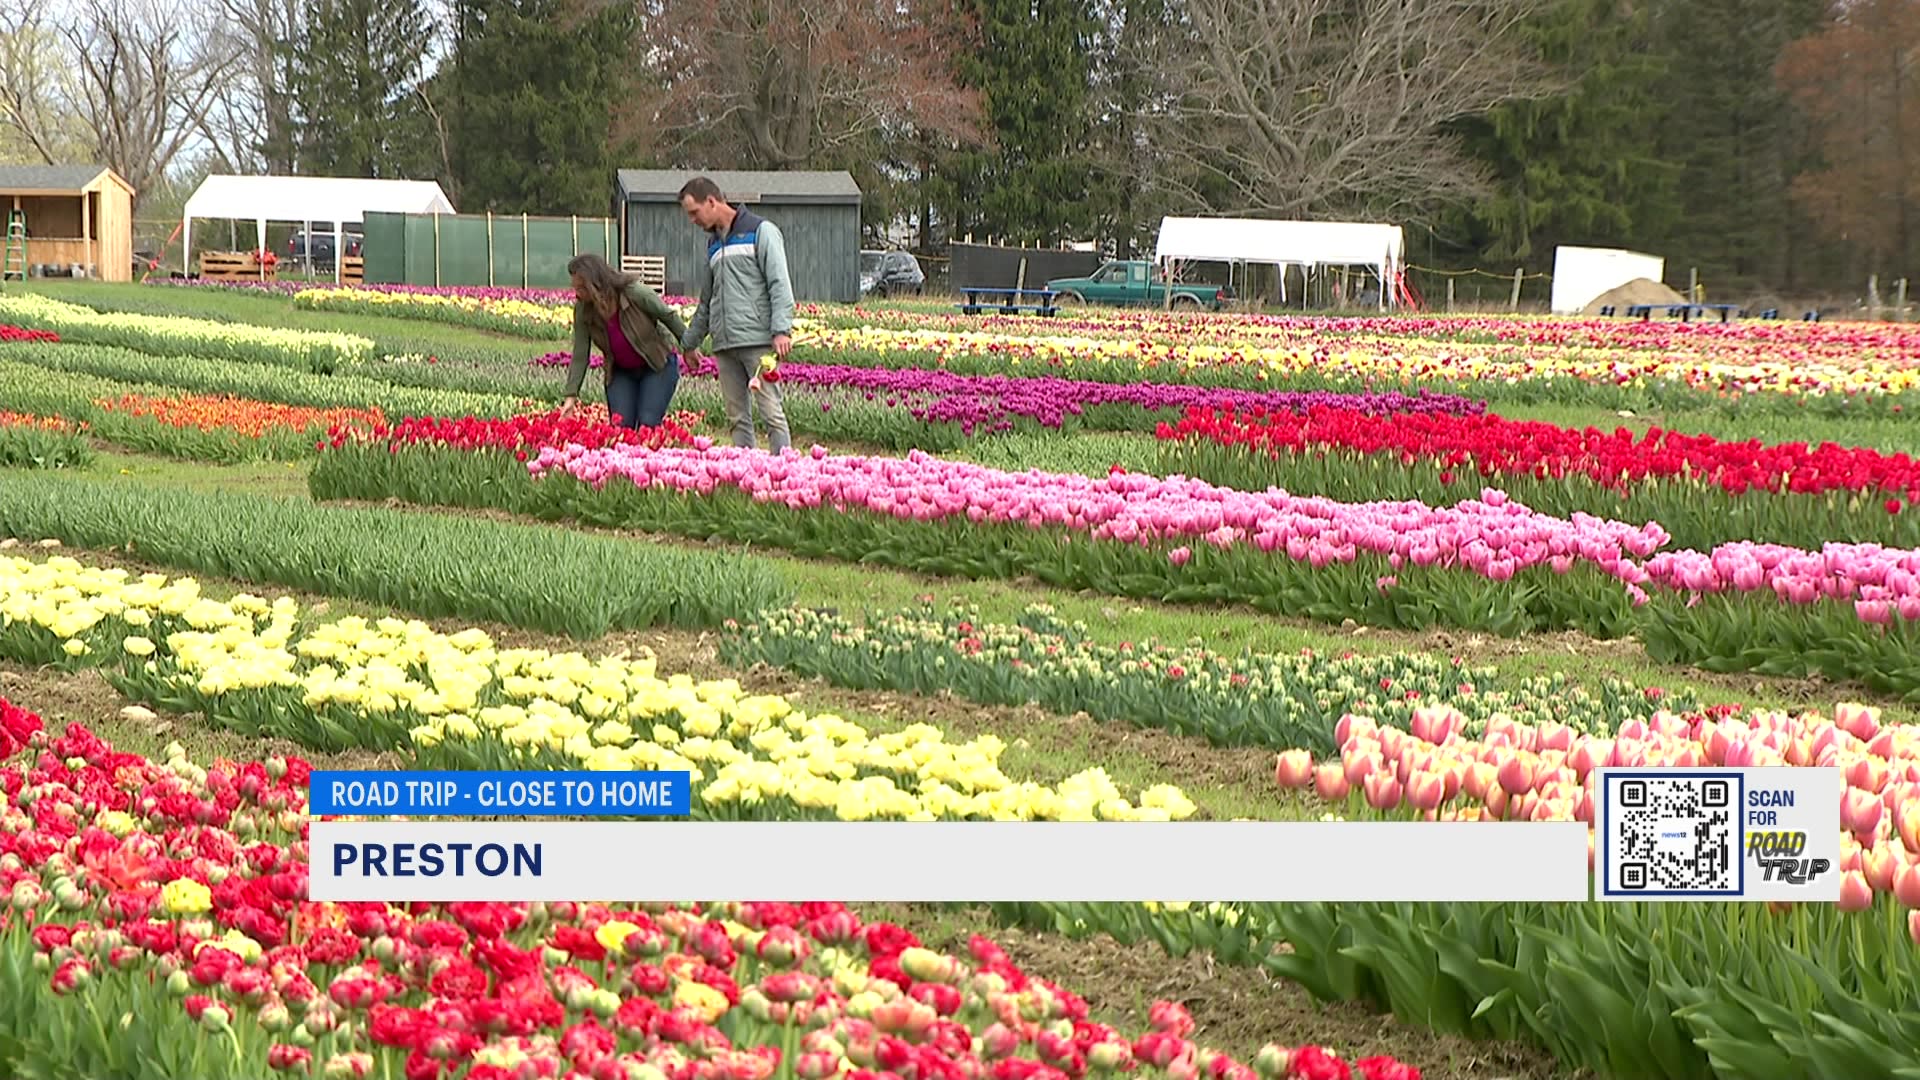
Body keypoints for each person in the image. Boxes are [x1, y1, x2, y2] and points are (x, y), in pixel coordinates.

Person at [676, 175, 794, 452]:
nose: (693, 220)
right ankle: (746, 477)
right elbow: (707, 300)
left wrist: (781, 330)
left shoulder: (761, 231)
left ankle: (786, 475)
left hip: (760, 342)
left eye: (694, 212)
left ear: (712, 201)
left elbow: (779, 283)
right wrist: (689, 343)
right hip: (725, 344)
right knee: (737, 419)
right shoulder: (713, 245)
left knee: (771, 414)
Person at [561, 252, 689, 429]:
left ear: (595, 285)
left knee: (648, 423)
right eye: (574, 288)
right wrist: (571, 396)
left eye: (581, 288)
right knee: (620, 427)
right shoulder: (584, 310)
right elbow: (580, 354)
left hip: (656, 365)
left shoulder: (633, 293)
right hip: (621, 371)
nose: (576, 294)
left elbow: (668, 316)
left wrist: (688, 347)